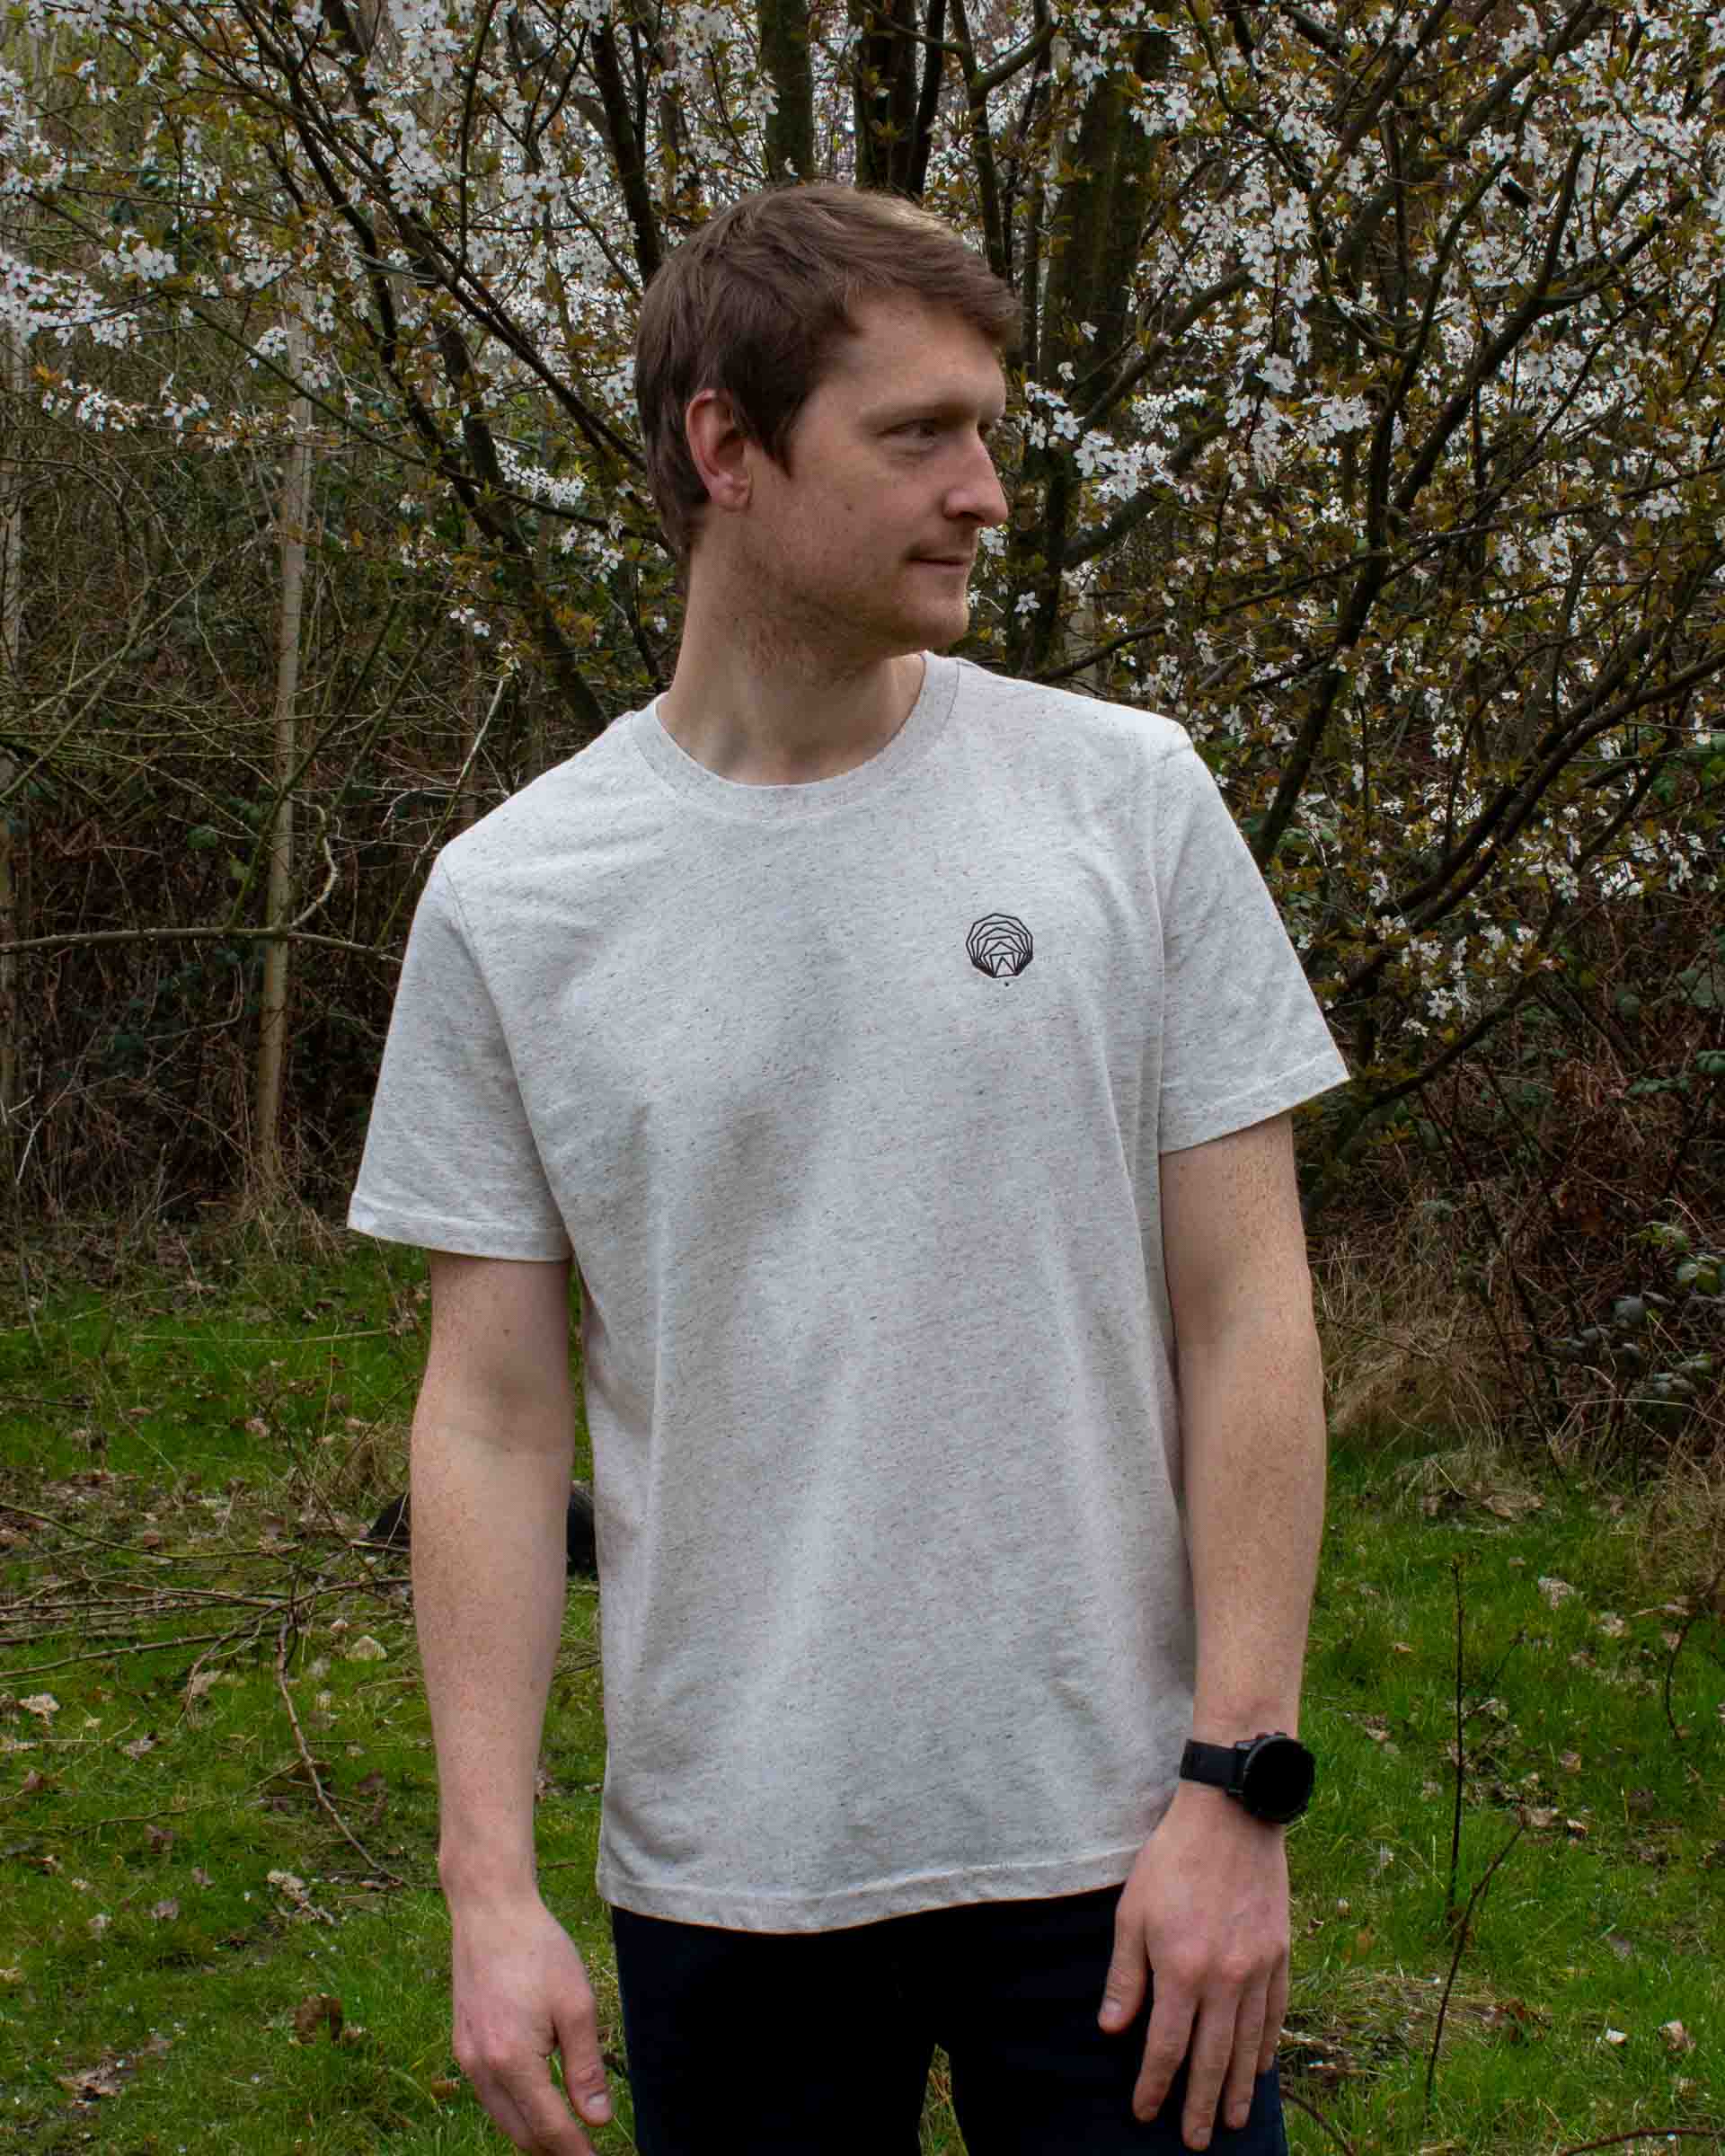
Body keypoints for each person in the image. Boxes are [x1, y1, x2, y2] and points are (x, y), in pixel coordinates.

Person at [349, 181, 1348, 2156]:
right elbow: (488, 1416)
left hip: (1125, 1850)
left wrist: (1240, 1785)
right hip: (734, 1869)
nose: (985, 492)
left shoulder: (1124, 803)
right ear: (727, 447)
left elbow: (1249, 1310)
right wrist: (489, 1886)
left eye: (990, 430)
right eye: (917, 436)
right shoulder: (517, 900)